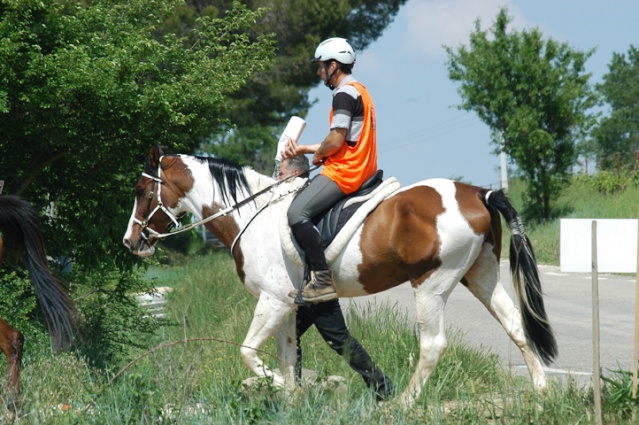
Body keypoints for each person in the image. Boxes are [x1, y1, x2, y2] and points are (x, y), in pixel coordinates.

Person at [278, 156, 394, 401]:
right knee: (291, 333)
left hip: (318, 288)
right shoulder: (309, 201)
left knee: (338, 338)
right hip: (308, 288)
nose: (277, 179)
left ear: (295, 172)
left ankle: (384, 389)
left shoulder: (303, 206)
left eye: (280, 174)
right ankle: (294, 390)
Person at [283, 37, 378, 303]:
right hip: (361, 166)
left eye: (321, 66)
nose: (318, 72)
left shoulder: (344, 93)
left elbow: (335, 140)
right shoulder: (360, 90)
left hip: (346, 171)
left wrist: (317, 153)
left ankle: (322, 279)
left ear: (333, 66)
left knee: (296, 212)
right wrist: (308, 150)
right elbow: (341, 140)